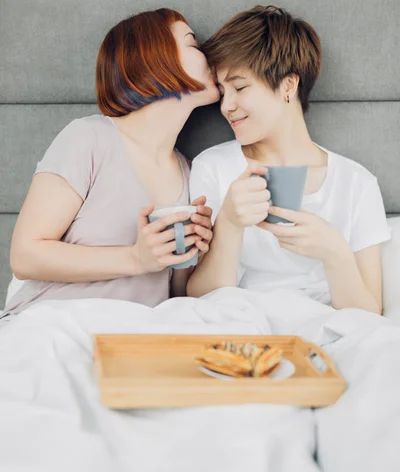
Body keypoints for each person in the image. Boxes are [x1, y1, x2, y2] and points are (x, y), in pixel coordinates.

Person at [3, 8, 219, 316]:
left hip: (132, 339)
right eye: (193, 44)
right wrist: (135, 258)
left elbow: (174, 294)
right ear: (154, 57)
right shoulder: (88, 138)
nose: (209, 56)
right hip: (53, 324)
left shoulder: (187, 169)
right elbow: (25, 256)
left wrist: (191, 253)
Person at [187, 5, 390, 314]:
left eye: (239, 87)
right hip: (241, 326)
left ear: (288, 86)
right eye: (222, 91)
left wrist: (334, 253)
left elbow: (369, 317)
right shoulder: (213, 168)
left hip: (327, 331)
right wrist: (228, 222)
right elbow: (199, 301)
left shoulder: (356, 184)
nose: (226, 106)